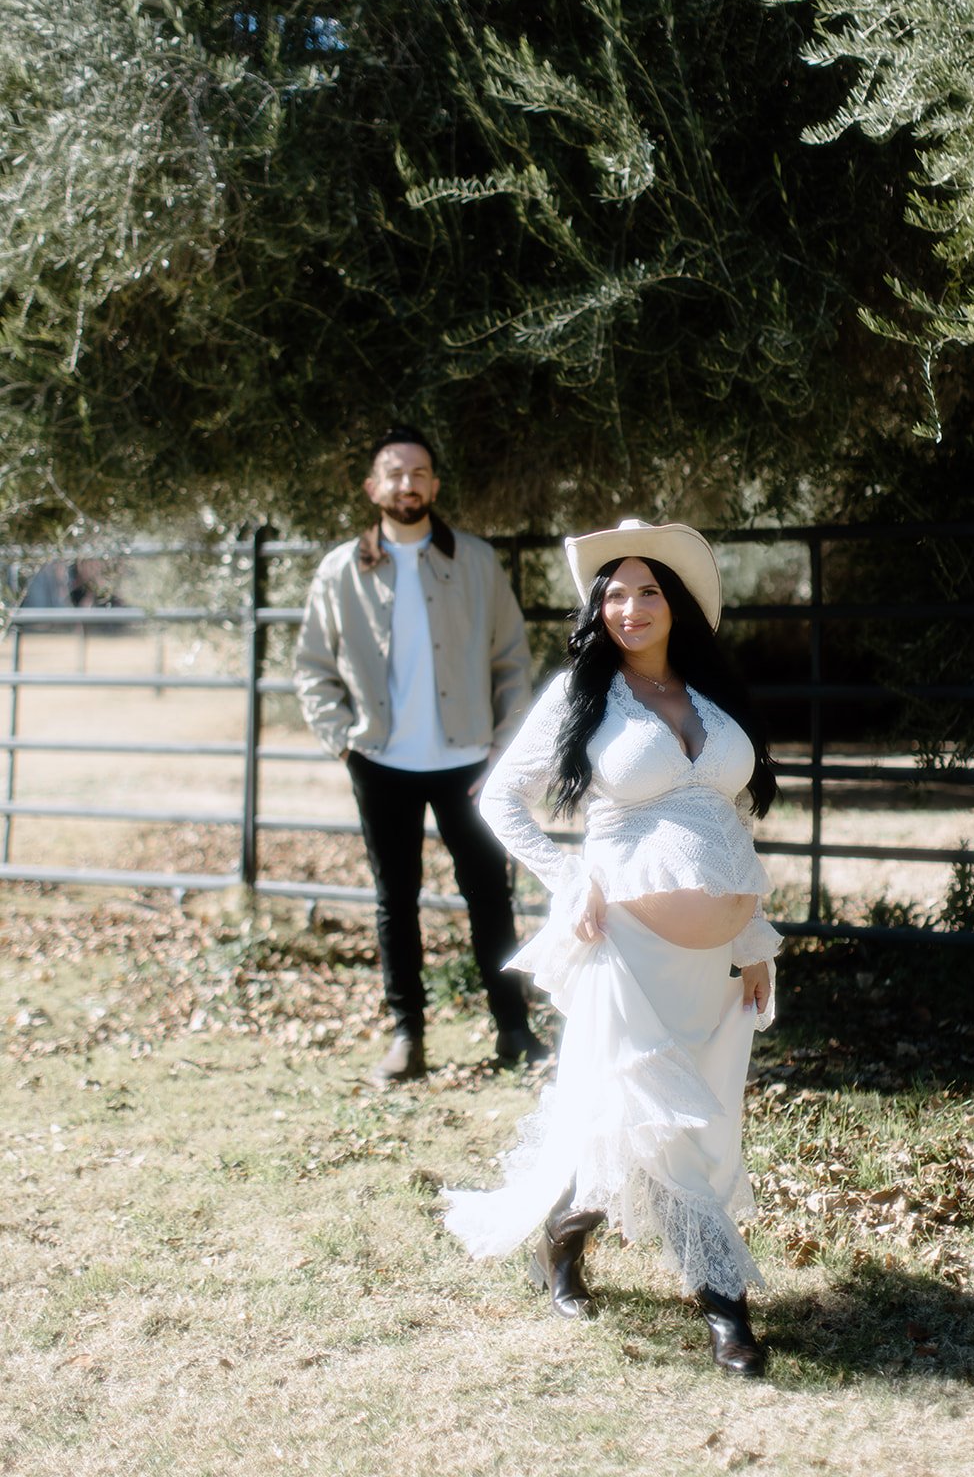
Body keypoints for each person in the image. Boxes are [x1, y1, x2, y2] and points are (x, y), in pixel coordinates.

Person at [443, 518, 781, 1377]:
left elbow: (727, 825)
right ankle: (724, 1306)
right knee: (656, 1122)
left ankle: (560, 1237)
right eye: (613, 593)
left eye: (646, 591)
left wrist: (749, 935)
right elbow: (499, 801)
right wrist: (568, 878)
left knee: (676, 1123)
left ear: (676, 604)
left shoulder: (712, 698)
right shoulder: (580, 696)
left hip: (711, 963)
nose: (628, 607)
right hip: (624, 950)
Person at [294, 425, 548, 1080]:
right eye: (393, 472)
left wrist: (501, 748)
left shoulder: (476, 562)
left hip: (469, 763)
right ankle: (408, 1038)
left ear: (434, 486)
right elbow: (312, 667)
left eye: (418, 472)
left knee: (489, 895)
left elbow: (511, 661)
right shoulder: (339, 571)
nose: (406, 483)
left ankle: (514, 1032)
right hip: (379, 763)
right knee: (394, 900)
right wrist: (343, 745)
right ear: (372, 487)